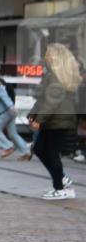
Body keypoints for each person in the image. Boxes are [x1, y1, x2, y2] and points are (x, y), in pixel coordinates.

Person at [29, 43, 80, 200]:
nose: (45, 56)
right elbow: (44, 98)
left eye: (48, 53)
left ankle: (60, 188)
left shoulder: (58, 76)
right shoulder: (52, 74)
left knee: (52, 153)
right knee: (38, 148)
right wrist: (33, 114)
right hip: (53, 120)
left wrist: (39, 119)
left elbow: (52, 101)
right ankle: (62, 179)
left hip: (58, 120)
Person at [0, 68, 31, 160]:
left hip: (6, 112)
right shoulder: (0, 86)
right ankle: (26, 152)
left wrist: (11, 106)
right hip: (9, 111)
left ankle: (8, 147)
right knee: (12, 133)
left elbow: (4, 97)